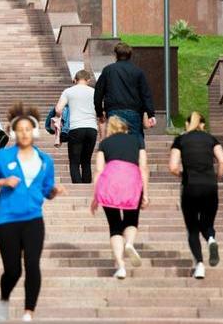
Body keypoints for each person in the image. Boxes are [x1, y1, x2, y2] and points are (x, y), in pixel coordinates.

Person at [0, 102, 66, 322]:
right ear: (14, 132)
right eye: (20, 130)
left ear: (34, 131)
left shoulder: (45, 161)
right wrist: (3, 181)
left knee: (32, 264)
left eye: (28, 129)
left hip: (33, 220)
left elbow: (47, 191)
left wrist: (54, 191)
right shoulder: (3, 157)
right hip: (7, 220)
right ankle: (4, 299)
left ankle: (29, 312)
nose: (25, 133)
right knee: (13, 271)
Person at [169, 112, 223, 279]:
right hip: (210, 186)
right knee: (207, 222)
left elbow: (173, 167)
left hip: (190, 187)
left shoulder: (180, 140)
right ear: (203, 124)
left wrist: (183, 174)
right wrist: (217, 176)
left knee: (193, 228)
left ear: (187, 124)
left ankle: (200, 265)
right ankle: (211, 240)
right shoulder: (211, 139)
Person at [91, 116, 149, 280]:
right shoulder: (137, 141)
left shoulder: (104, 144)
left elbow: (99, 171)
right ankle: (129, 243)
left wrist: (96, 196)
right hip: (131, 180)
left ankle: (121, 266)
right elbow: (144, 167)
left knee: (114, 226)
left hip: (110, 182)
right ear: (125, 128)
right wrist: (146, 193)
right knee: (131, 219)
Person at [94, 42, 156, 144]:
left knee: (115, 142)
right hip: (134, 112)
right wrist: (150, 114)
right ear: (130, 55)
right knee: (136, 142)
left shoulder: (108, 70)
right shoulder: (138, 71)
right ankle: (137, 157)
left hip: (114, 112)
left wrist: (99, 112)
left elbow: (98, 93)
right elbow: (146, 94)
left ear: (116, 55)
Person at [56, 70, 98, 183]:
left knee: (74, 161)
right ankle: (87, 185)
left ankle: (78, 185)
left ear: (76, 79)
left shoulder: (68, 91)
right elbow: (100, 110)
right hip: (92, 128)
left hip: (75, 128)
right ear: (88, 80)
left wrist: (61, 117)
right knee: (86, 161)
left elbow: (58, 109)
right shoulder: (94, 92)